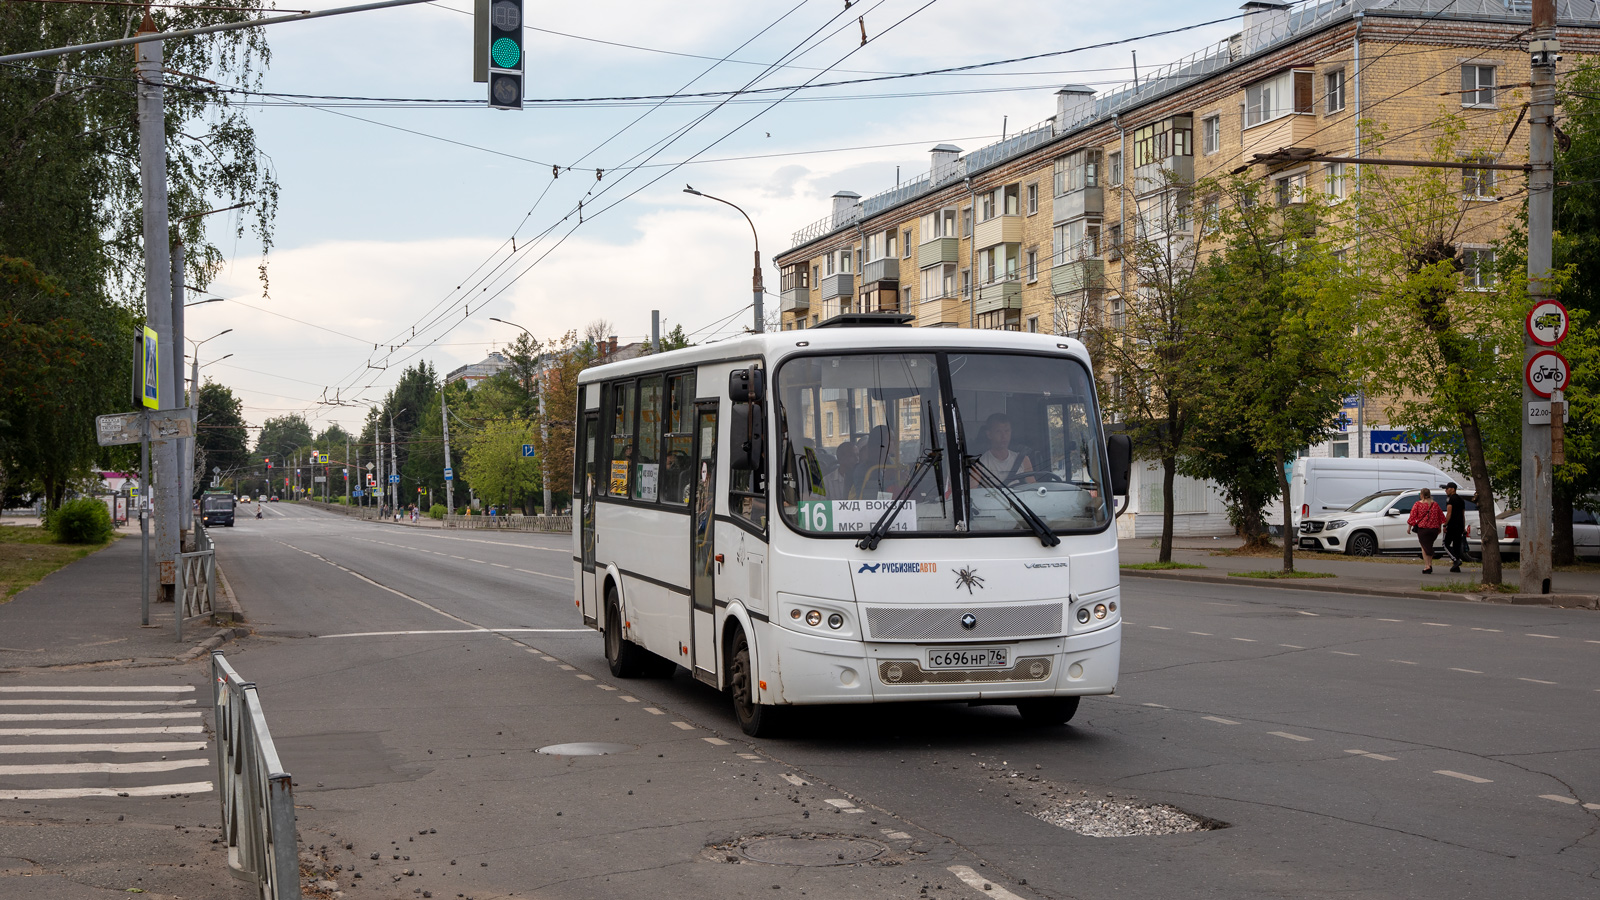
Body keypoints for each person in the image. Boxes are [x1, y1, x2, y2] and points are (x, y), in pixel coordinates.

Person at [978, 413, 1034, 483]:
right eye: (998, 431)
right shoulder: (980, 464)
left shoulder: (1023, 460)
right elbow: (972, 491)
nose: (1004, 436)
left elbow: (1033, 489)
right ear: (989, 434)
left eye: (1007, 431)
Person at [1407, 487, 1445, 574]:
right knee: (1429, 545)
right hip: (1433, 530)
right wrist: (1439, 527)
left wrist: (1409, 527)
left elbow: (1412, 517)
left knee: (1424, 547)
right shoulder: (1435, 504)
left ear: (1422, 495)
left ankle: (1427, 566)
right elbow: (1441, 517)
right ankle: (1430, 564)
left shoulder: (1417, 504)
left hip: (1423, 529)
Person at [1440, 481, 1475, 573]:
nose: (1445, 491)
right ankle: (1456, 566)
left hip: (1452, 525)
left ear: (1452, 489)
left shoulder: (1450, 499)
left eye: (1447, 489)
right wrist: (1463, 527)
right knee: (1456, 545)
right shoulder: (1461, 500)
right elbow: (1463, 514)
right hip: (1459, 525)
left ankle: (1455, 560)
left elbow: (1449, 513)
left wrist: (1445, 524)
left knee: (1445, 544)